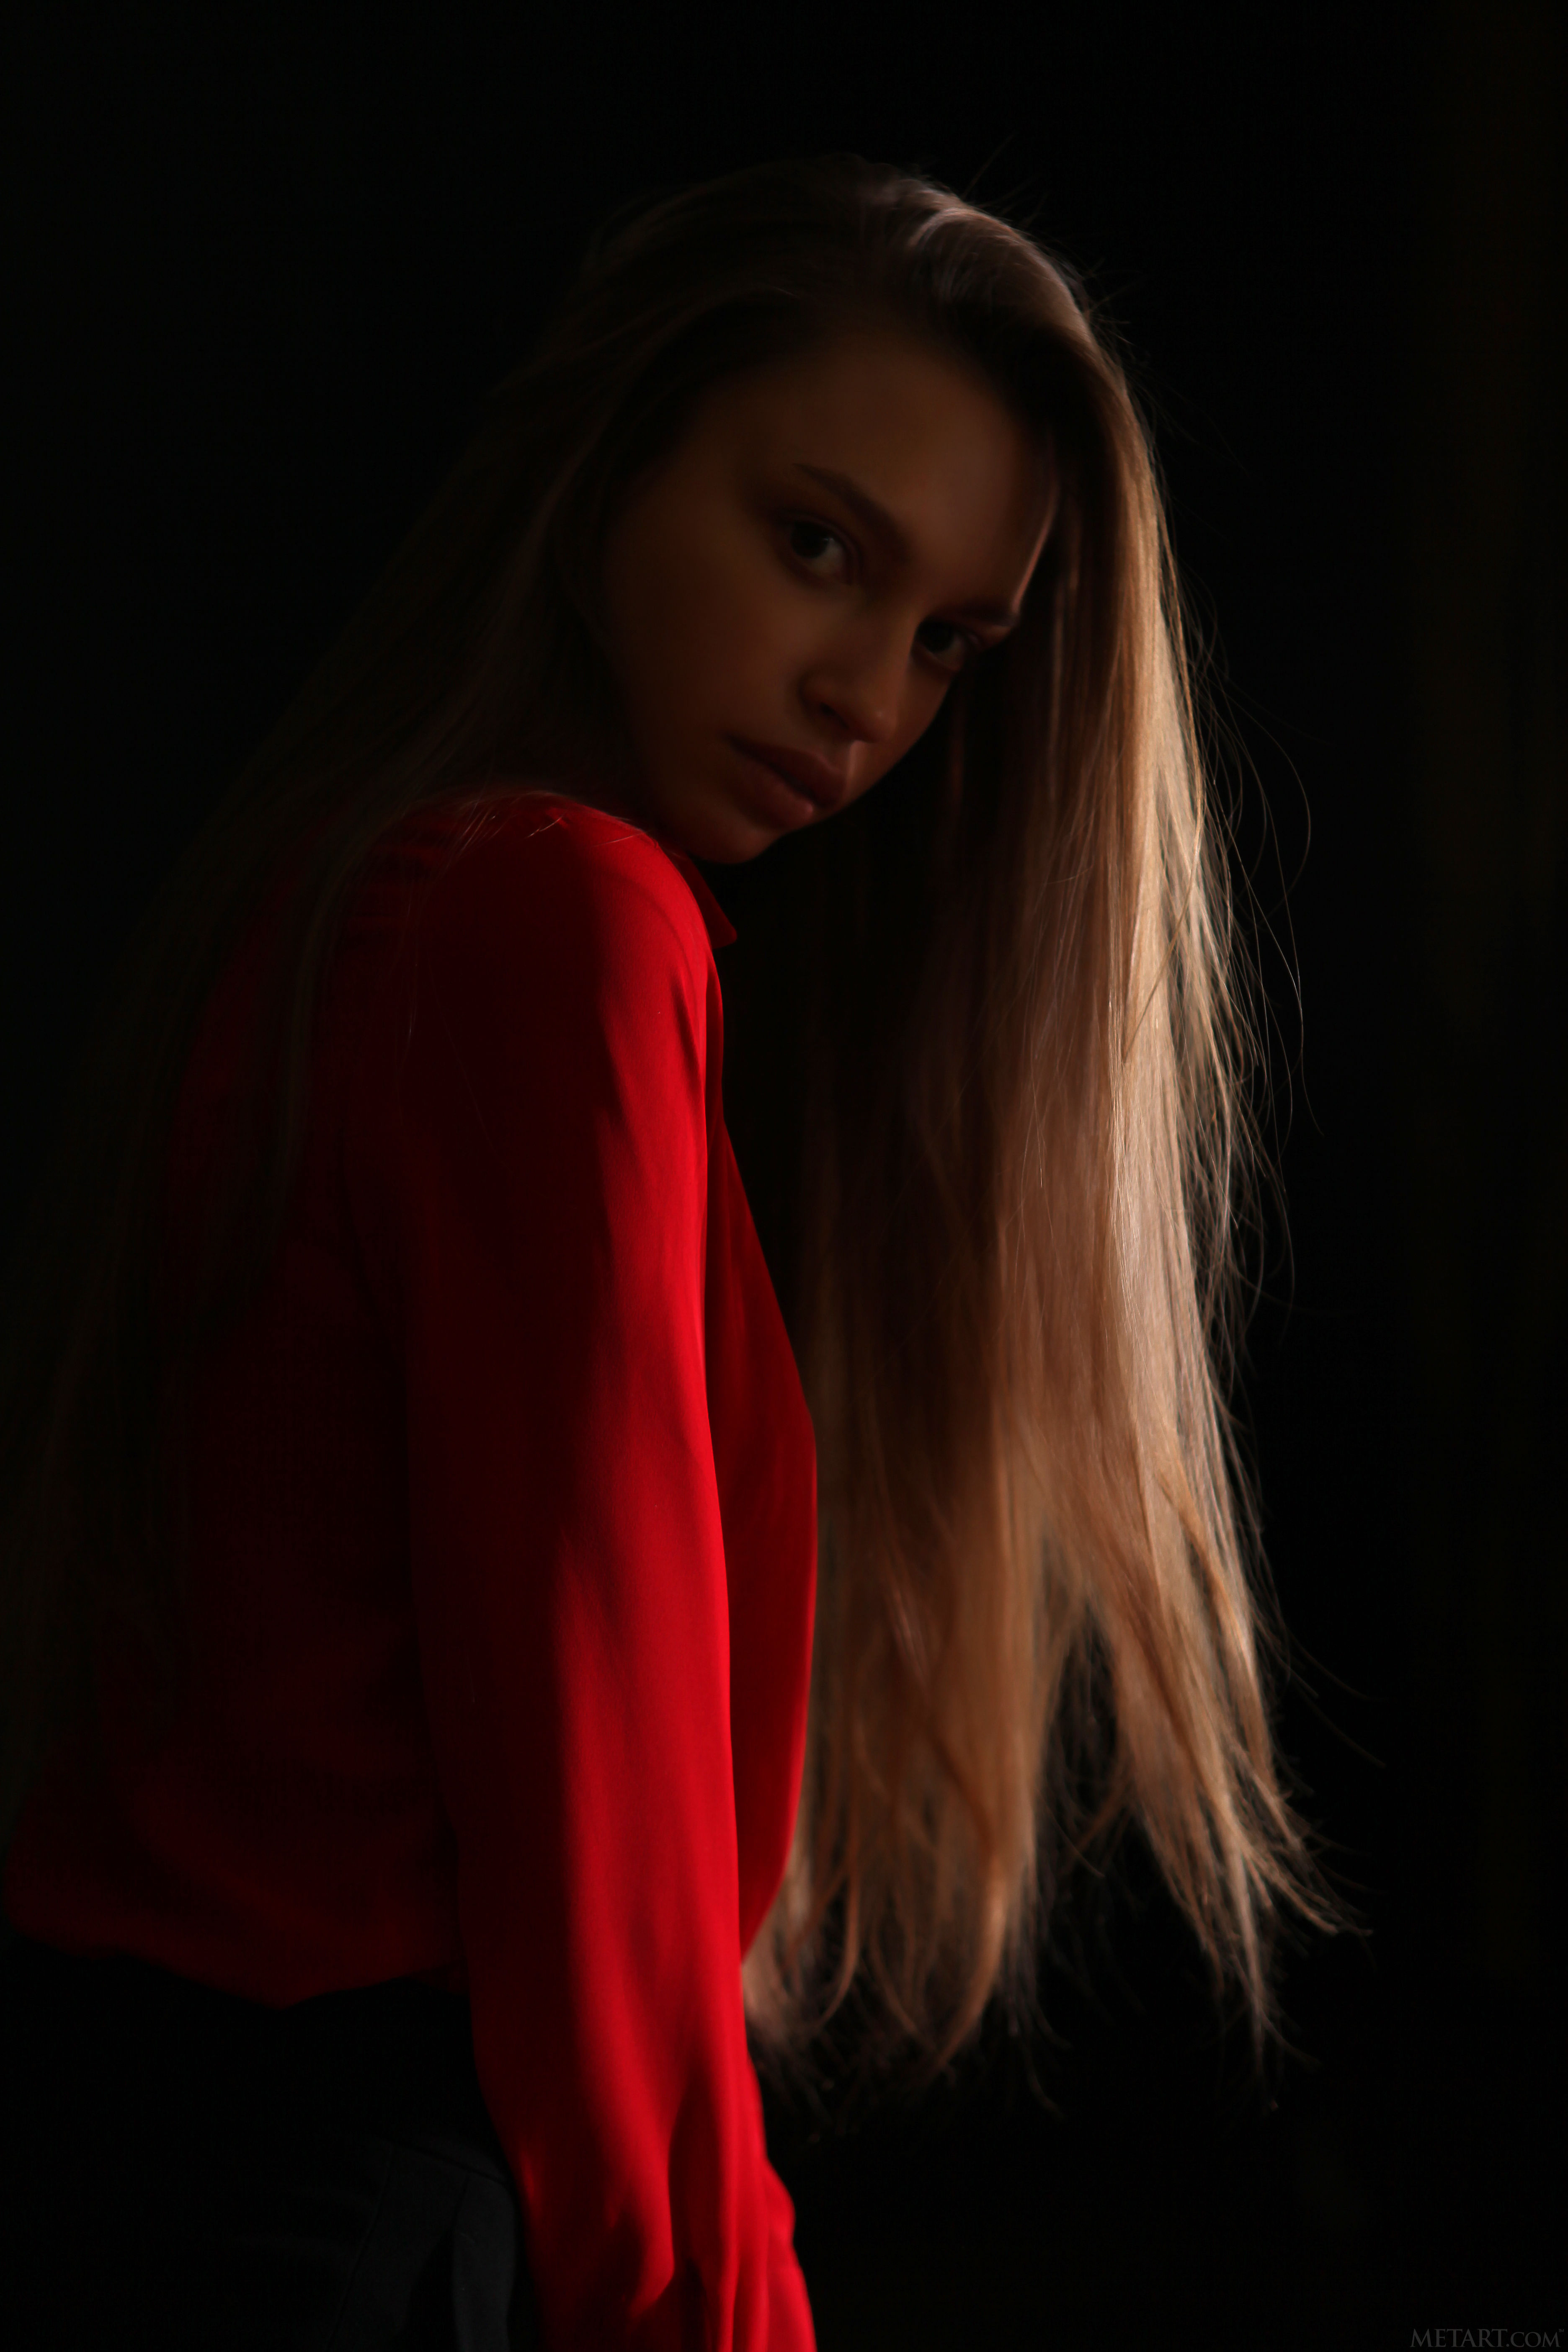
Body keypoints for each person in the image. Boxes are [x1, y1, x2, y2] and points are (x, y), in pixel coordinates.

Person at [0, 155, 1341, 2349]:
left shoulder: (350, 892)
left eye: (949, 642)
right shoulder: (556, 921)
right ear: (616, 457)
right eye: (817, 544)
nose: (867, 696)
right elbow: (590, 1810)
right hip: (350, 2210)